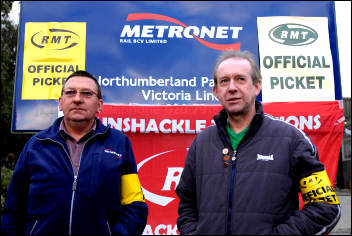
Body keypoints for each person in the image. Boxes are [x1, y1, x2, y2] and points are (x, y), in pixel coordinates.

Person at [175, 51, 341, 235]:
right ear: (216, 91)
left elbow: (325, 207)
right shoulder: (202, 143)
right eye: (224, 81)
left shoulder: (291, 140)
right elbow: (187, 205)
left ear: (257, 86)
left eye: (240, 79)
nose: (232, 88)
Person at [1, 70, 148, 235]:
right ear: (60, 102)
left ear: (99, 105)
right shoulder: (36, 145)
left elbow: (135, 204)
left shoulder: (119, 144)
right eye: (70, 93)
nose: (78, 99)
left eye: (87, 93)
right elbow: (13, 209)